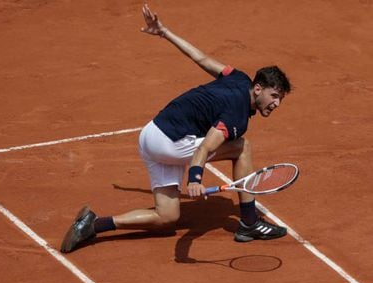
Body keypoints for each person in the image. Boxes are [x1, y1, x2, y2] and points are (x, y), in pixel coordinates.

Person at [60, 4, 291, 253]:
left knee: (167, 217)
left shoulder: (238, 77)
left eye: (280, 99)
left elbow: (200, 58)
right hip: (170, 143)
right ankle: (249, 222)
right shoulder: (236, 114)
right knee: (242, 147)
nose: (276, 104)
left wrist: (164, 32)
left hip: (149, 135)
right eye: (274, 96)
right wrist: (195, 179)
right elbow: (203, 148)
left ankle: (93, 225)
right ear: (258, 89)